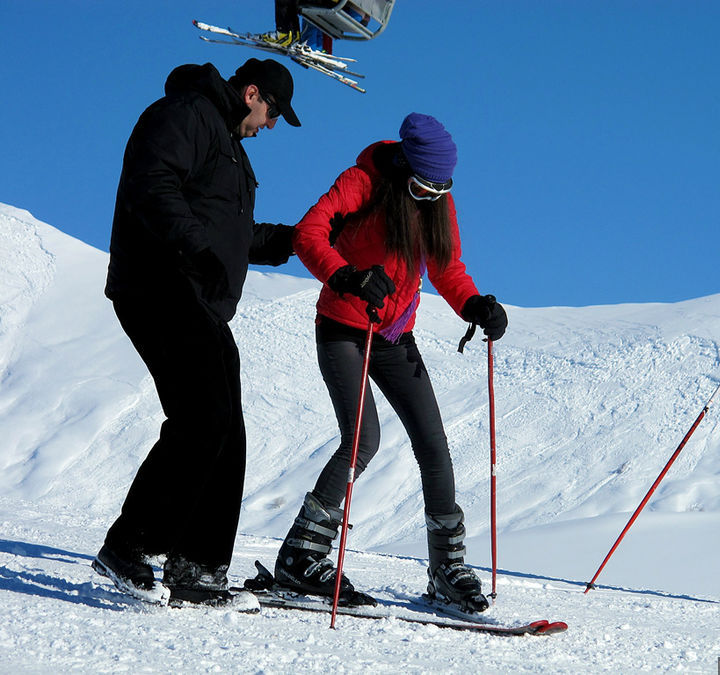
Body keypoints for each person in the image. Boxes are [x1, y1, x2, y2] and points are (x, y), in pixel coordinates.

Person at [271, 112, 508, 613]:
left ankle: (446, 569)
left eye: (440, 189)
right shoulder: (362, 182)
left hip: (395, 337)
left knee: (434, 446)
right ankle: (300, 555)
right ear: (404, 166)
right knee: (362, 439)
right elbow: (308, 233)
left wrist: (473, 304)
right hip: (343, 328)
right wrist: (346, 276)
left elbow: (447, 266)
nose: (430, 196)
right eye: (422, 186)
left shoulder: (437, 200)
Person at [94, 58, 302, 609]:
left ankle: (200, 567)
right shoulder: (187, 114)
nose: (272, 124)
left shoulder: (230, 148)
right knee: (202, 418)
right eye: (273, 110)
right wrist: (196, 248)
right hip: (159, 283)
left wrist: (286, 239)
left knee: (226, 430)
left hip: (197, 297)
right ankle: (130, 544)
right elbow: (151, 181)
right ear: (251, 92)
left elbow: (227, 232)